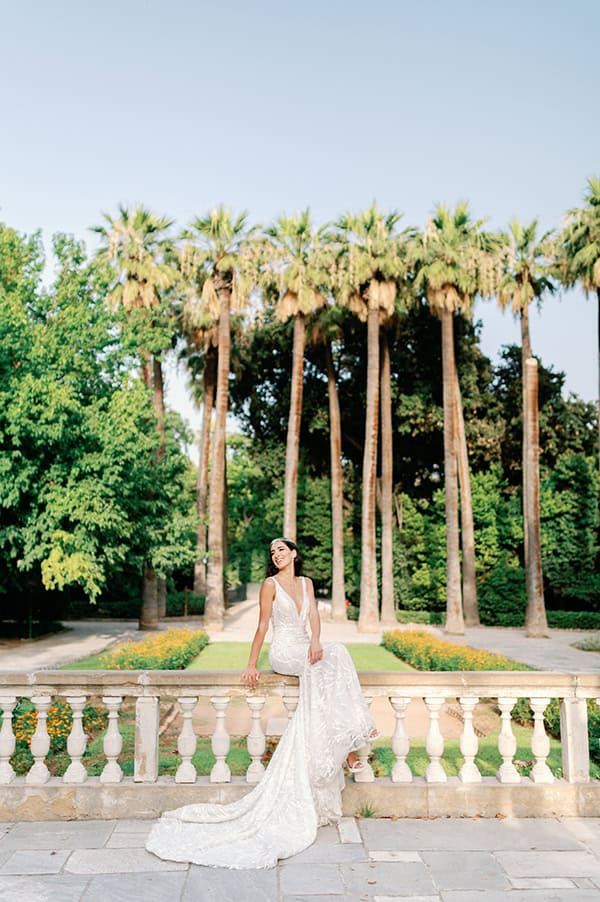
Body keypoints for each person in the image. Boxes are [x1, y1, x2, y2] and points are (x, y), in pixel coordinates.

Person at [146, 537, 378, 869]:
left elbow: (313, 616)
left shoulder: (307, 583)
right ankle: (356, 740)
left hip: (305, 646)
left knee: (335, 654)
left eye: (281, 549)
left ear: (294, 554)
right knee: (330, 662)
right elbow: (262, 625)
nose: (276, 554)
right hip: (284, 651)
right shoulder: (269, 585)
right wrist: (252, 663)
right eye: (272, 552)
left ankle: (354, 739)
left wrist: (315, 640)